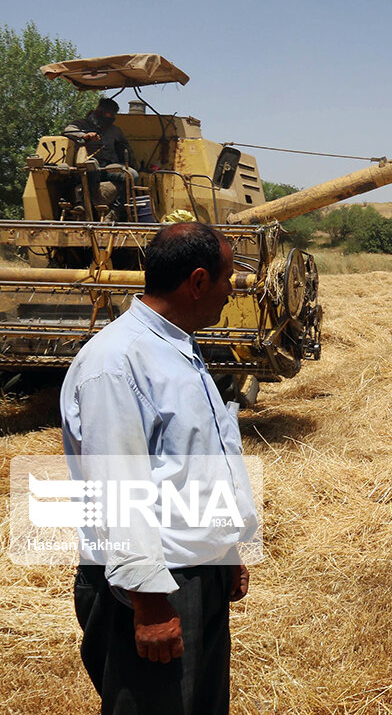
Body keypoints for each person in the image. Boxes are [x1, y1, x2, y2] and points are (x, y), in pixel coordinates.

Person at [62, 222, 258, 715]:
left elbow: (194, 461)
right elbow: (118, 487)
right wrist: (148, 603)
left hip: (195, 574)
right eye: (227, 278)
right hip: (152, 587)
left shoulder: (177, 349)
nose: (230, 291)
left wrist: (224, 547)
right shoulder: (117, 361)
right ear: (196, 282)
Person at [63, 97, 137, 213]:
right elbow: (68, 131)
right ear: (99, 111)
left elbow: (126, 148)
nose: (111, 117)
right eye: (109, 114)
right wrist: (84, 135)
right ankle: (83, 204)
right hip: (89, 169)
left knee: (132, 175)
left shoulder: (115, 130)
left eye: (113, 115)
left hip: (109, 168)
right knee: (92, 164)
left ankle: (114, 212)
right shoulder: (82, 124)